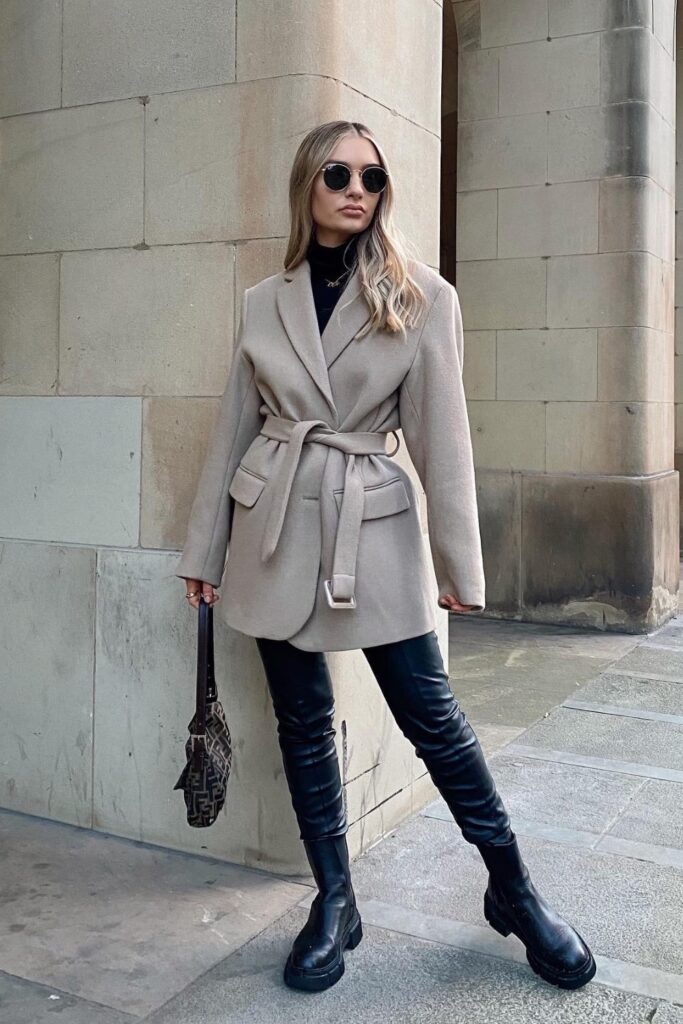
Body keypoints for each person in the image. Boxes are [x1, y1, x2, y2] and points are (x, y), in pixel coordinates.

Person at [176, 120, 596, 993]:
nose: (356, 187)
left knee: (433, 719)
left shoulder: (421, 296)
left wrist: (458, 565)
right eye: (337, 172)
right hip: (274, 525)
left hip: (372, 524)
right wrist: (205, 549)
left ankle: (512, 890)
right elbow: (232, 427)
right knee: (300, 719)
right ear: (308, 185)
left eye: (371, 174)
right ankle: (334, 899)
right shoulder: (263, 300)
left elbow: (445, 441)